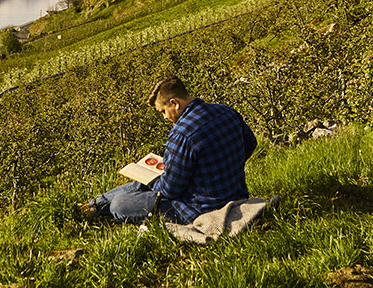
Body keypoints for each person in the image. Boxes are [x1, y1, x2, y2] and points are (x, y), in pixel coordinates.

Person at [78, 76, 257, 224]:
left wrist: (155, 181)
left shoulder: (182, 134)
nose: (164, 117)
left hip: (198, 207)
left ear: (174, 103)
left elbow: (171, 190)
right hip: (235, 192)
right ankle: (93, 205)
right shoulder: (226, 111)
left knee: (120, 205)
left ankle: (95, 209)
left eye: (163, 111)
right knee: (140, 183)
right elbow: (251, 143)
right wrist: (225, 166)